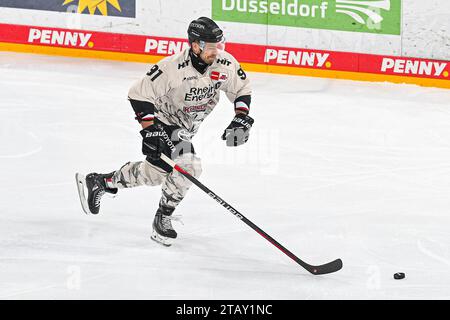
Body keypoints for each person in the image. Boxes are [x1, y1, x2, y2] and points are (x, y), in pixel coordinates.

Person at [75, 17, 254, 246]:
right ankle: (163, 218)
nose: (216, 51)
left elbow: (242, 88)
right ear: (196, 45)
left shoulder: (225, 64)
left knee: (156, 174)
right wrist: (150, 131)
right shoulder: (173, 67)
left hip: (187, 129)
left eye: (218, 45)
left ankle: (102, 182)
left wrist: (240, 117)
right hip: (164, 122)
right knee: (189, 166)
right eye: (210, 46)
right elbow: (138, 93)